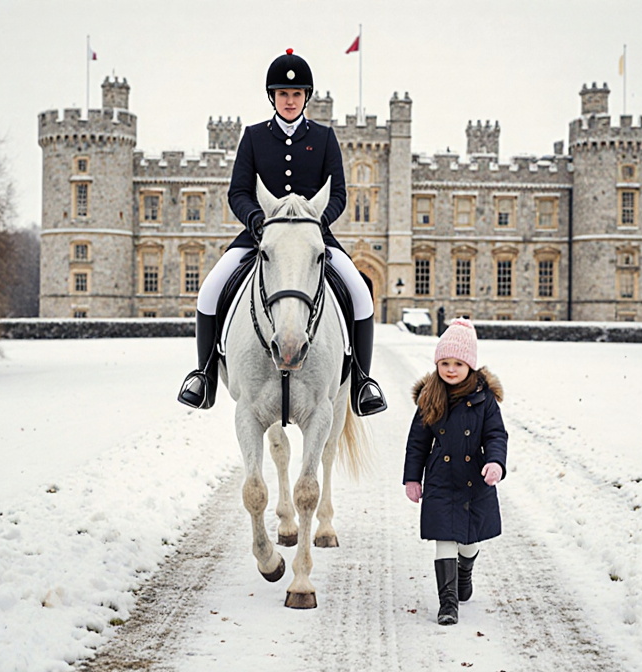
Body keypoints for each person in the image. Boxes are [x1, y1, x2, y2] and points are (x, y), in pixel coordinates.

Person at [177, 48, 387, 416]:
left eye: (296, 94)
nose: (289, 101)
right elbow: (238, 191)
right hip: (261, 237)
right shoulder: (254, 136)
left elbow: (338, 193)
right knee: (210, 289)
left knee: (360, 293)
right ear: (272, 97)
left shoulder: (324, 138)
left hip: (313, 238)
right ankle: (205, 375)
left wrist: (317, 224)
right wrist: (256, 220)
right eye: (282, 94)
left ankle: (362, 383)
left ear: (306, 97)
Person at [402, 319, 507, 625]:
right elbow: (417, 442)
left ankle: (466, 569)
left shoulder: (485, 399)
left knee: (469, 540)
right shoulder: (430, 397)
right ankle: (447, 604)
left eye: (458, 363)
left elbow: (496, 436)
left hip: (474, 477)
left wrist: (495, 462)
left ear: (470, 366)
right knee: (444, 538)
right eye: (444, 363)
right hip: (441, 479)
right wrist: (412, 477)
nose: (450, 369)